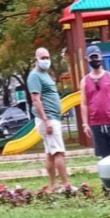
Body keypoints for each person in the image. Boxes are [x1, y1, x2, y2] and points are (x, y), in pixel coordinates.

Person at [27, 47, 71, 189]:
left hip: (53, 117)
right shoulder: (34, 76)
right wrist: (46, 121)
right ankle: (66, 184)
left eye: (47, 57)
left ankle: (54, 185)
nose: (46, 60)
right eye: (43, 58)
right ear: (36, 60)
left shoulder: (45, 74)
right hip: (48, 119)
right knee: (59, 152)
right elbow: (36, 99)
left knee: (50, 153)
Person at [79, 45, 110, 158]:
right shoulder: (85, 81)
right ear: (87, 59)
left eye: (96, 57)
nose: (95, 60)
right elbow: (84, 104)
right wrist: (85, 124)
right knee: (104, 157)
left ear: (101, 57)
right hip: (96, 124)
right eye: (92, 58)